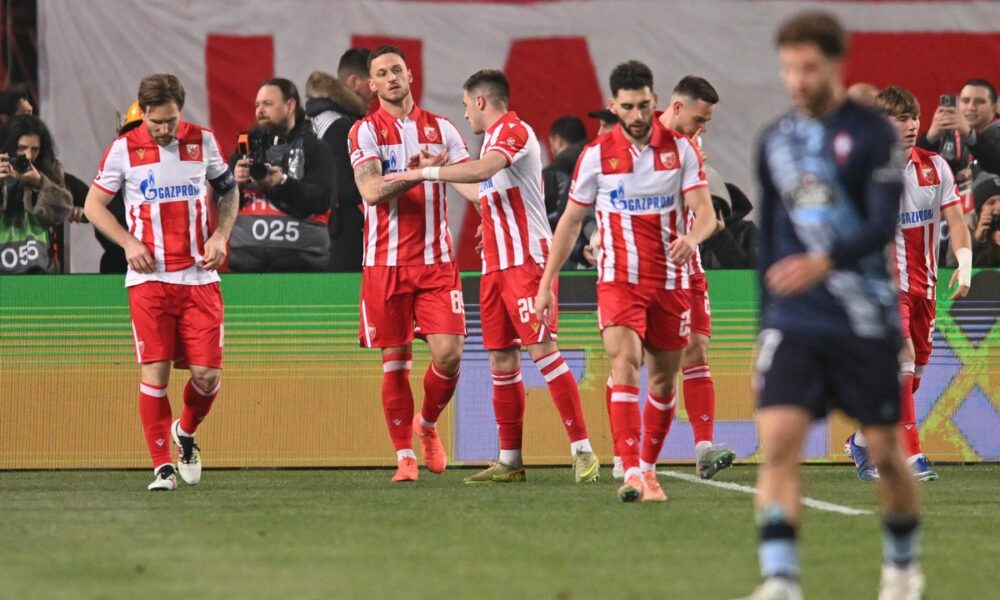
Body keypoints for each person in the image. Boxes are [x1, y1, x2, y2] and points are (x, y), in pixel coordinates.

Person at [738, 13, 924, 600]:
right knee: (779, 445)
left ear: (836, 66)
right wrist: (765, 325)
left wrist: (825, 260)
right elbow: (768, 243)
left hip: (863, 317)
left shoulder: (874, 136)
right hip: (795, 322)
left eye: (809, 67)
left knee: (887, 454)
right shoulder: (774, 140)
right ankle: (781, 580)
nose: (797, 78)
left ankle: (901, 566)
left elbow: (880, 224)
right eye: (789, 67)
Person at [384, 69, 600, 484]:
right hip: (496, 267)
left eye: (466, 106)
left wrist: (424, 173)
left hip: (526, 263)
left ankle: (583, 450)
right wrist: (442, 165)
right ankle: (510, 459)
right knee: (501, 359)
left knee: (543, 351)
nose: (465, 115)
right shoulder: (495, 144)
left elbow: (482, 171)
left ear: (481, 102)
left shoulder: (515, 131)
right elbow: (482, 190)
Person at [535, 60, 716, 503]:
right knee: (624, 363)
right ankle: (631, 470)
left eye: (643, 105)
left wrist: (692, 237)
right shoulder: (596, 156)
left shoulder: (682, 151)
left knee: (663, 382)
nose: (637, 116)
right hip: (619, 281)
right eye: (628, 107)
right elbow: (571, 223)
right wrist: (546, 282)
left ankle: (649, 472)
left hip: (670, 282)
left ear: (655, 102)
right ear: (614, 106)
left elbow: (707, 212)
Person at [84, 74, 239, 491]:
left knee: (207, 376)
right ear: (143, 113)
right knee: (155, 374)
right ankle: (161, 467)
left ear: (179, 111)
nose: (165, 130)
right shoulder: (123, 150)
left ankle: (185, 433)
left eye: (171, 121)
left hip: (199, 277)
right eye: (156, 123)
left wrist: (221, 234)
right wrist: (127, 241)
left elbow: (228, 191)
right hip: (149, 280)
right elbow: (93, 205)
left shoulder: (202, 141)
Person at [349, 45, 469, 483]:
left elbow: (471, 184)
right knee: (395, 361)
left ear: (410, 74)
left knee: (450, 354)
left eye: (397, 68)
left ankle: (428, 425)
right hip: (385, 264)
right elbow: (371, 191)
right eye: (382, 73)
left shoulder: (443, 129)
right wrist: (419, 174)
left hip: (437, 264)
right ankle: (404, 456)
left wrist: (500, 208)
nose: (392, 77)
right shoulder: (364, 131)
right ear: (372, 85)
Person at [846, 86, 972, 484]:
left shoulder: (935, 167)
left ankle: (863, 441)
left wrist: (964, 263)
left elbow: (955, 221)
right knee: (903, 358)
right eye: (900, 118)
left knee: (909, 377)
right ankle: (912, 458)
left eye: (913, 116)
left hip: (926, 289)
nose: (911, 124)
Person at [654, 75, 736, 479]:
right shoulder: (636, 142)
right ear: (677, 107)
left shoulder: (692, 148)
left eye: (707, 123)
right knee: (632, 361)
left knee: (697, 348)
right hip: (641, 271)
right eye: (698, 119)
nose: (701, 130)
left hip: (687, 267)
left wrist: (696, 234)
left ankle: (704, 447)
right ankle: (626, 453)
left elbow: (705, 212)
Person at [229, 78, 334, 272]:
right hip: (246, 263)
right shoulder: (245, 148)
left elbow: (322, 200)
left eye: (268, 104)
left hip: (302, 263)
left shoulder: (315, 148)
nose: (260, 110)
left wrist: (283, 182)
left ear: (290, 105)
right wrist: (233, 184)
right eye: (257, 105)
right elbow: (220, 201)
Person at [305, 67, 369, 272]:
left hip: (307, 228)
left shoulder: (308, 123)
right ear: (353, 83)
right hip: (340, 229)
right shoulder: (342, 127)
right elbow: (344, 186)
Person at [0, 114, 72, 274]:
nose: (29, 156)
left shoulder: (49, 169)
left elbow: (62, 213)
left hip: (38, 265)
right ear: (10, 146)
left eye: (35, 149)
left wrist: (40, 182)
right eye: (22, 147)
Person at [91, 101, 145, 273]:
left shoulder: (176, 172)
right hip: (121, 264)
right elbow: (95, 211)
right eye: (134, 133)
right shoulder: (113, 175)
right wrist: (129, 243)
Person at [918, 79, 1000, 178]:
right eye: (965, 101)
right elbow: (913, 166)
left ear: (994, 108)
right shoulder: (945, 134)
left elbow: (996, 165)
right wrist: (930, 138)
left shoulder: (996, 132)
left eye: (979, 102)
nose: (971, 107)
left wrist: (969, 134)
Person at [543, 115, 594, 269]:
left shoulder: (552, 173)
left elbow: (544, 217)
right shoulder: (599, 162)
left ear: (558, 141)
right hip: (600, 251)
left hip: (566, 257)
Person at [970, 175, 1000, 266]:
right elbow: (951, 267)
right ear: (980, 209)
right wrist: (976, 240)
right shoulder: (964, 227)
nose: (999, 207)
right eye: (991, 202)